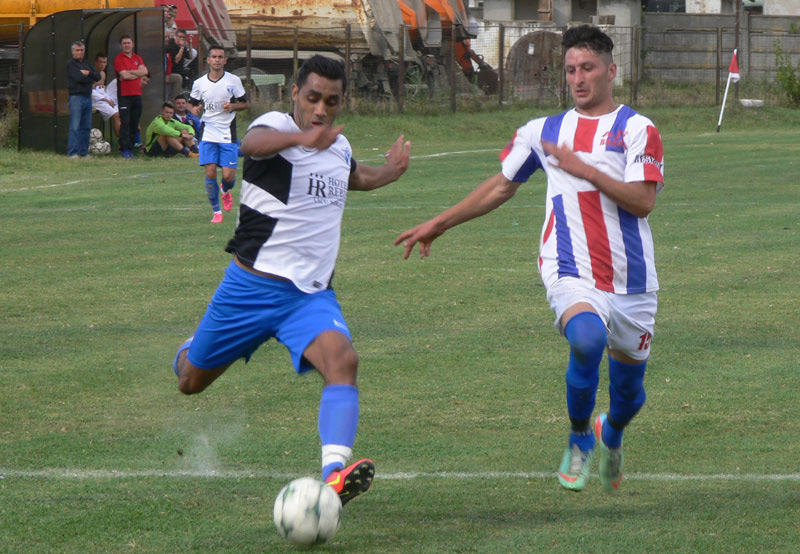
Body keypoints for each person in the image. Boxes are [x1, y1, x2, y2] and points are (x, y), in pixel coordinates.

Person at [395, 25, 665, 493]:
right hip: (569, 268)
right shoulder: (543, 132)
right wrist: (439, 223)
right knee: (586, 340)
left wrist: (586, 170)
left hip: (632, 280)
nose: (578, 78)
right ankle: (580, 436)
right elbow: (501, 186)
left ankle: (611, 430)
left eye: (588, 68)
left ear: (611, 71)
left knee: (629, 395)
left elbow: (643, 202)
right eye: (571, 70)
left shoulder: (638, 129)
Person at [173, 54, 411, 506]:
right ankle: (192, 345)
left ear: (342, 102)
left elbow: (355, 176)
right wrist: (304, 138)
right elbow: (251, 145)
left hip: (309, 298)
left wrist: (392, 172)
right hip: (250, 289)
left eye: (331, 102)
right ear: (295, 94)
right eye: (313, 98)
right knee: (190, 381)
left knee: (343, 361)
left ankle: (334, 477)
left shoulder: (337, 146)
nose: (321, 109)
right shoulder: (277, 127)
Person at [189, 45, 249, 223]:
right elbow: (191, 104)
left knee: (229, 176)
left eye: (220, 57)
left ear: (225, 60)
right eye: (214, 57)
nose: (217, 59)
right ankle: (216, 211)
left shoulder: (233, 81)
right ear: (208, 60)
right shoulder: (199, 83)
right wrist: (194, 110)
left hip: (227, 132)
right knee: (210, 172)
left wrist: (233, 106)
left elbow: (245, 103)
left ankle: (225, 189)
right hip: (208, 131)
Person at [114, 34, 149, 158]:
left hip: (137, 94)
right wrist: (137, 73)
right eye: (124, 43)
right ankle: (125, 148)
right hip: (124, 96)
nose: (127, 45)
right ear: (121, 45)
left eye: (129, 43)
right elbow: (124, 76)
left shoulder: (137, 58)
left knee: (135, 122)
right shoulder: (118, 59)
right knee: (125, 122)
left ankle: (131, 145)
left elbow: (145, 72)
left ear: (132, 44)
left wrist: (130, 72)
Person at [66, 41, 101, 158]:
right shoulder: (71, 64)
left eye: (82, 50)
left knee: (86, 126)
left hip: (87, 97)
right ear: (73, 52)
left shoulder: (87, 64)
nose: (80, 52)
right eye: (77, 50)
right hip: (76, 97)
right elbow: (78, 78)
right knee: (75, 126)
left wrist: (88, 73)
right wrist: (90, 78)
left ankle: (83, 152)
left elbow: (98, 76)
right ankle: (72, 152)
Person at [91, 53, 121, 139]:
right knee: (116, 115)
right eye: (100, 62)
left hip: (105, 98)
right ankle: (121, 141)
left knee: (121, 114)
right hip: (96, 101)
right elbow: (90, 91)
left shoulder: (103, 73)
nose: (103, 65)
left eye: (104, 62)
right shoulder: (91, 74)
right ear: (96, 62)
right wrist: (106, 100)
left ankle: (128, 140)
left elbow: (101, 88)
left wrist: (108, 96)